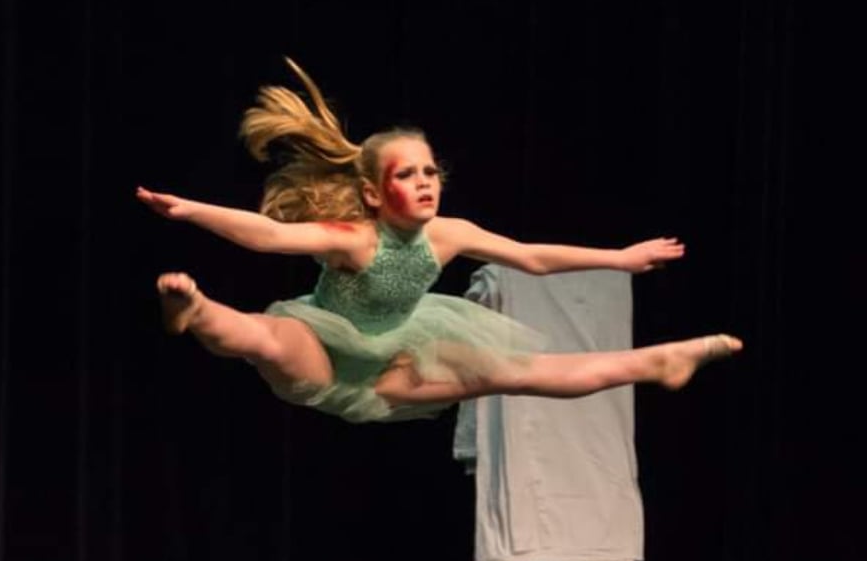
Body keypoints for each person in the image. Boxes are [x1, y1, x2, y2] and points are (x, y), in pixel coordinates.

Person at [137, 58, 741, 424]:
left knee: (518, 372)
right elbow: (268, 235)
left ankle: (659, 361)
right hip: (326, 342)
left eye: (430, 172)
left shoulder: (450, 235)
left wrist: (620, 259)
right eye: (407, 174)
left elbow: (531, 257)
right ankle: (195, 309)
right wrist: (189, 209)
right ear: (374, 193)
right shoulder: (355, 239)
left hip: (397, 357)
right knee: (268, 339)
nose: (426, 182)